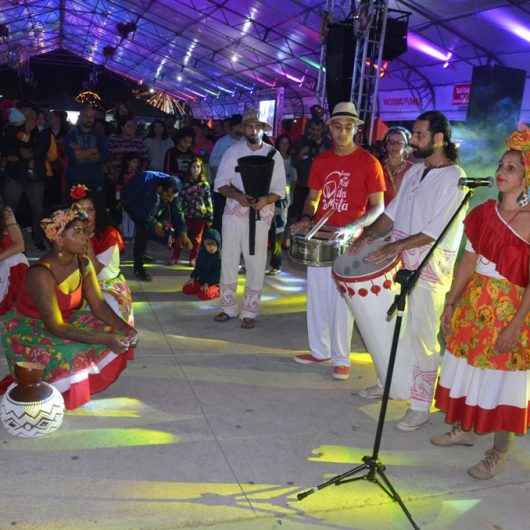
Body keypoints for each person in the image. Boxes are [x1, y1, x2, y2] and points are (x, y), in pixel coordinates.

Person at [351, 110, 467, 430]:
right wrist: (368, 237)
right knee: (393, 329)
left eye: (419, 135)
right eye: (414, 135)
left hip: (428, 270)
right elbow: (391, 215)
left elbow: (435, 231)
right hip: (401, 263)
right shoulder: (415, 172)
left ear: (439, 139)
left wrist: (392, 246)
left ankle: (420, 403)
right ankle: (392, 384)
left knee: (422, 336)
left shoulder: (456, 178)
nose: (413, 141)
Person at [431, 126, 530, 480]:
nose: (502, 173)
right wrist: (451, 301)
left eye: (512, 168)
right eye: (501, 166)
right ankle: (465, 430)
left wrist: (517, 324)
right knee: (467, 371)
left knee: (502, 382)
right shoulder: (482, 213)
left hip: (509, 309)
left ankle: (497, 451)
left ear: (526, 176)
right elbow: (469, 262)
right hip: (475, 303)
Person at [0, 204, 137, 410]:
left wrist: (125, 328)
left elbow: (98, 306)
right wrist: (107, 338)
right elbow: (55, 326)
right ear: (59, 239)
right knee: (74, 352)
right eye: (78, 232)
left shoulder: (83, 263)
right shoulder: (41, 273)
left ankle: (67, 384)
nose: (86, 237)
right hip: (30, 327)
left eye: (85, 231)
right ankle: (48, 390)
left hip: (64, 319)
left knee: (114, 330)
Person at [290, 102, 386, 381]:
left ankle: (341, 357)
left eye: (348, 127)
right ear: (330, 128)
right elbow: (312, 199)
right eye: (337, 126)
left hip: (350, 237)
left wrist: (356, 226)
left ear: (357, 128)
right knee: (318, 294)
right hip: (322, 234)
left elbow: (377, 207)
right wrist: (307, 217)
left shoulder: (369, 162)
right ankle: (320, 350)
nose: (343, 132)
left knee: (343, 299)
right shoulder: (322, 161)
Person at [214, 108, 286, 329]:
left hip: (261, 215)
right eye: (248, 126)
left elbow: (279, 190)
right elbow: (220, 183)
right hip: (234, 213)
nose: (253, 130)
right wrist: (238, 196)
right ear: (243, 129)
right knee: (229, 258)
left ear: (263, 129)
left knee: (256, 262)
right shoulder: (232, 152)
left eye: (257, 126)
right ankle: (227, 307)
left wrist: (265, 200)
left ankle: (250, 311)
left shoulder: (273, 154)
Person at [69, 184, 133, 326]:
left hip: (107, 287)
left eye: (90, 210)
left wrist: (85, 237)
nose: (85, 215)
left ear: (97, 212)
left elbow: (95, 270)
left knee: (109, 324)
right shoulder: (69, 233)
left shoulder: (109, 234)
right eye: (80, 210)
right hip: (79, 285)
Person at [122, 170, 191, 281]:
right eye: (168, 195)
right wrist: (153, 223)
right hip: (132, 200)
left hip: (153, 200)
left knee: (162, 224)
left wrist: (183, 233)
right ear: (159, 189)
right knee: (143, 229)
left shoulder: (172, 188)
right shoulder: (144, 181)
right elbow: (133, 206)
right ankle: (138, 267)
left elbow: (177, 211)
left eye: (172, 196)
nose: (170, 199)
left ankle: (143, 251)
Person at [3, 107, 52, 250]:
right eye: (25, 116)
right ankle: (9, 239)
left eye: (31, 116)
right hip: (15, 176)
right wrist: (21, 153)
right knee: (10, 209)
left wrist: (22, 153)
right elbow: (8, 149)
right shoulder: (12, 129)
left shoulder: (42, 131)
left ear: (36, 118)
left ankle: (38, 239)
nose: (28, 119)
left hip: (35, 177)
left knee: (37, 209)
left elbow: (39, 150)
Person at [64, 105, 108, 213]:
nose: (89, 119)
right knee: (76, 215)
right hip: (76, 181)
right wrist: (92, 151)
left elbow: (103, 156)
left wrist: (81, 152)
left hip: (96, 181)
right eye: (86, 116)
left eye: (92, 117)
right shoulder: (71, 134)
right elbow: (73, 157)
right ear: (81, 116)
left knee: (96, 214)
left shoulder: (99, 135)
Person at [171, 156, 213, 266]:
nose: (195, 169)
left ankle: (193, 258)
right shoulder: (183, 183)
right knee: (180, 236)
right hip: (185, 215)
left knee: (197, 239)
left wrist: (209, 216)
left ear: (201, 169)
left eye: (198, 167)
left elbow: (208, 201)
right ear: (189, 168)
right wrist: (177, 214)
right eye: (193, 167)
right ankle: (175, 256)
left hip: (199, 215)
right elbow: (179, 200)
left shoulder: (205, 185)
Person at [209, 115, 243, 233]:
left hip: (240, 188)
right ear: (233, 127)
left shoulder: (246, 142)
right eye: (239, 126)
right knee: (220, 217)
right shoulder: (222, 142)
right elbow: (213, 163)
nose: (242, 128)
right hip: (223, 188)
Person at [268, 134, 295, 275]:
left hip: (283, 200)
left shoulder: (291, 160)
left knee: (278, 232)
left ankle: (276, 264)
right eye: (282, 143)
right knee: (265, 232)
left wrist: (289, 198)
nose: (284, 145)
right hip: (270, 196)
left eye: (287, 143)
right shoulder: (272, 157)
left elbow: (293, 182)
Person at [0, 204, 28, 315]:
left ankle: (15, 301)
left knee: (17, 258)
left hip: (7, 260)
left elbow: (20, 245)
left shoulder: (6, 213)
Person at [182, 228, 221, 300]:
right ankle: (201, 288)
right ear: (204, 244)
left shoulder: (219, 257)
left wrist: (208, 283)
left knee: (204, 295)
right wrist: (193, 278)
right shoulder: (202, 253)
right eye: (208, 244)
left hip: (214, 283)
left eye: (213, 244)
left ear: (218, 245)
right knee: (186, 289)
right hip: (202, 281)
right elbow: (198, 268)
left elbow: (217, 274)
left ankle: (219, 291)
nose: (211, 247)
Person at [380, 126, 413, 205]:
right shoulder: (377, 167)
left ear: (406, 146)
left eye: (399, 143)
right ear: (386, 145)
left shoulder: (413, 169)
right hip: (379, 214)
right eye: (391, 142)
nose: (394, 145)